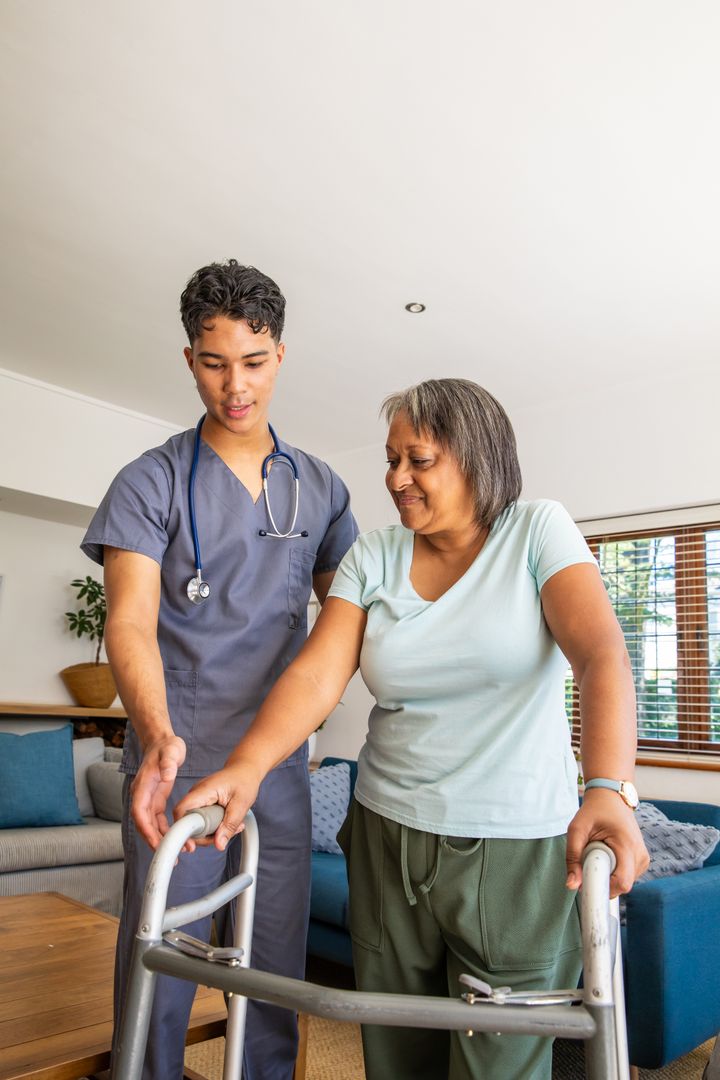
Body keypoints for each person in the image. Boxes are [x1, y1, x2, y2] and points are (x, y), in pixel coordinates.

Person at [176, 377, 649, 1080]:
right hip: (386, 838)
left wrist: (608, 788)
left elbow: (601, 656)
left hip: (517, 851)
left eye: (418, 460)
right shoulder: (374, 555)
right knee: (397, 1055)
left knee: (501, 1065)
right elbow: (316, 677)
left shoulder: (536, 531)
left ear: (478, 459)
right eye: (391, 459)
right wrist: (247, 766)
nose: (396, 478)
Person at [80, 259, 358, 1080]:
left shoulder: (321, 489)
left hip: (276, 766)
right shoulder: (151, 480)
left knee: (272, 970)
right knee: (160, 961)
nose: (235, 386)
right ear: (189, 359)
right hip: (180, 757)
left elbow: (345, 625)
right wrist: (157, 735)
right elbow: (129, 621)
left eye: (254, 362)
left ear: (281, 356)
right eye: (214, 363)